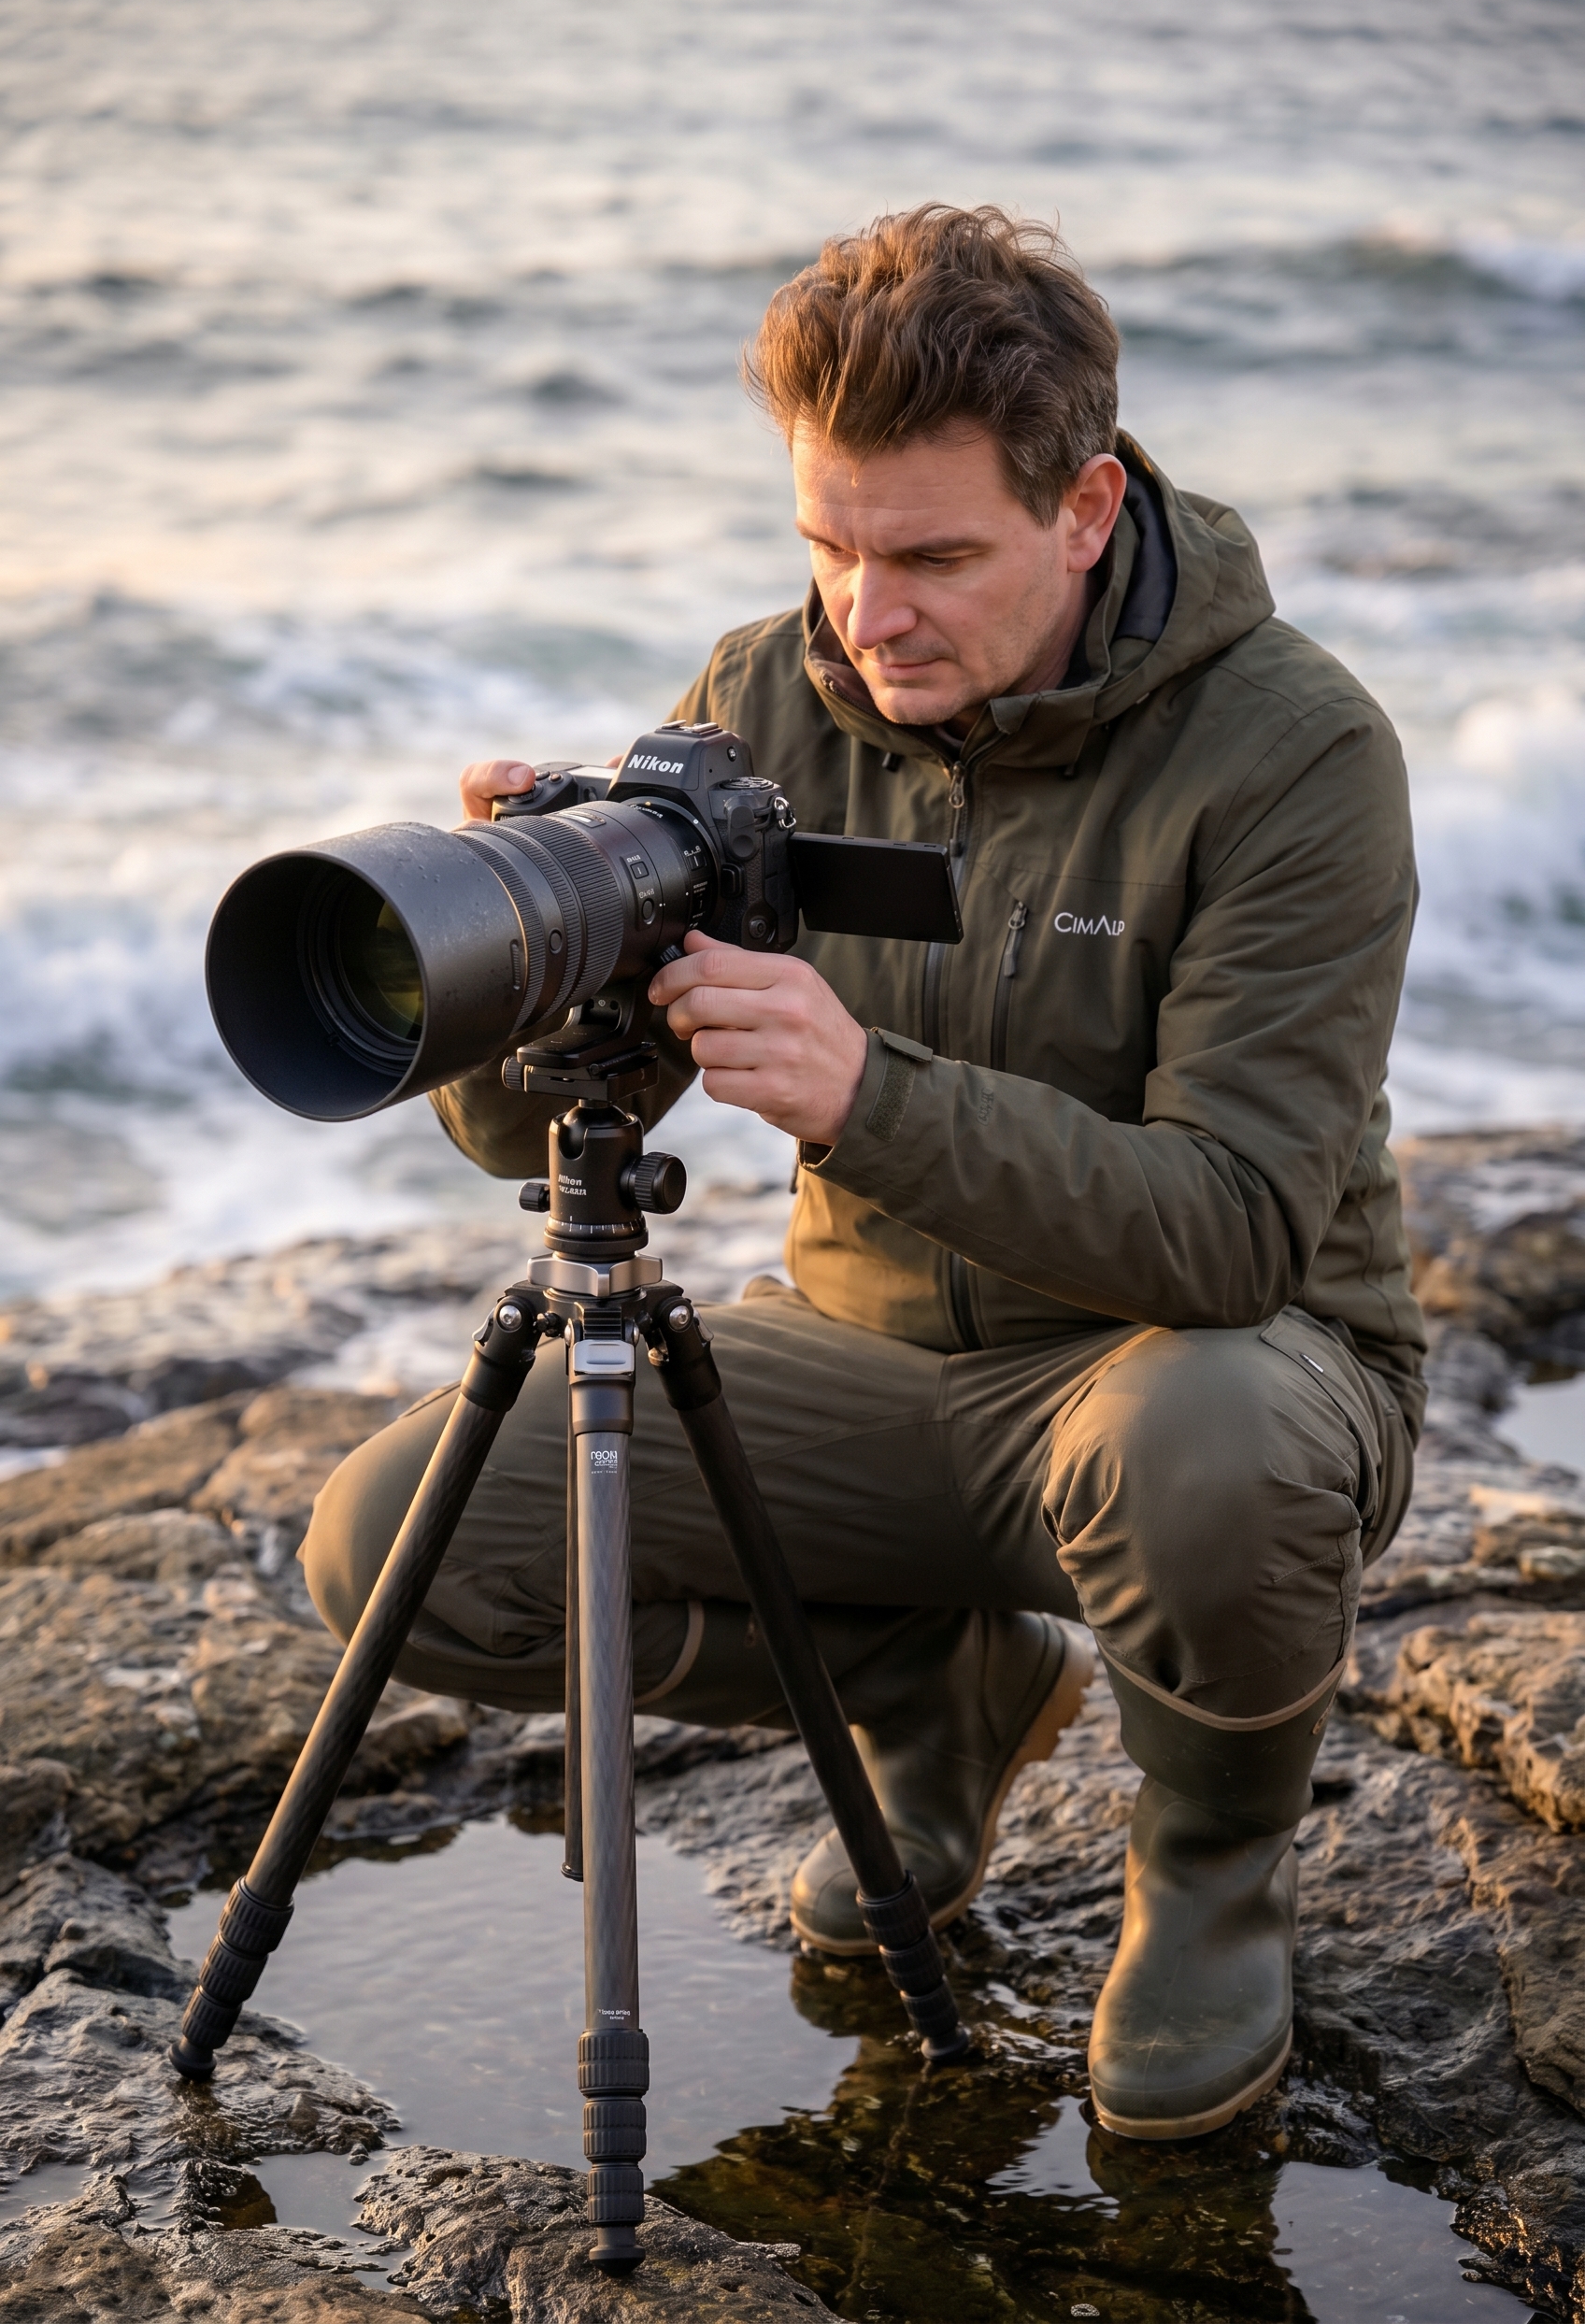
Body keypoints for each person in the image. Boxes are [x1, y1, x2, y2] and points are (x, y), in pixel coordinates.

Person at [301, 205, 1424, 2142]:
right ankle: (936, 1693)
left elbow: (1234, 1229)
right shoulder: (766, 693)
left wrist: (862, 1094)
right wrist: (510, 948)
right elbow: (515, 1143)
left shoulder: (1293, 752)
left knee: (1202, 1440)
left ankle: (1214, 1870)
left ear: (1080, 511)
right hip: (873, 1371)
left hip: (1206, 1366)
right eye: (822, 544)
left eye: (926, 556)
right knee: (400, 1554)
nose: (861, 613)